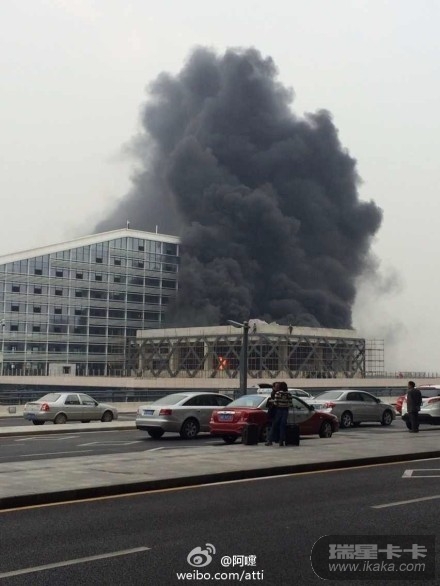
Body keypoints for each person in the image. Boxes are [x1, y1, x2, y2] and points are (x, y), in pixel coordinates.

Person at [265, 381, 293, 446]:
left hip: (279, 410)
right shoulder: (289, 394)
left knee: (274, 425)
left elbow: (275, 403)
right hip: (285, 411)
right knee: (282, 426)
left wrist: (274, 401)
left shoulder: (278, 393)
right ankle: (281, 441)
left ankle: (270, 440)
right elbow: (290, 404)